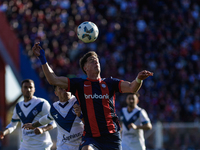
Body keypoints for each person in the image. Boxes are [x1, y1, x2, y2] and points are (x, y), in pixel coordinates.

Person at [32, 42, 153, 150]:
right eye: (91, 60)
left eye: (97, 60)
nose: (96, 61)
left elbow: (132, 87)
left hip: (111, 136)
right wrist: (42, 58)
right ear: (85, 68)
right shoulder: (79, 84)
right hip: (91, 136)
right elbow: (53, 79)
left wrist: (138, 79)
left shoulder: (110, 83)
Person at [22, 86, 84, 150]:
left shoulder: (79, 101)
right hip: (63, 147)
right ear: (56, 93)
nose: (65, 90)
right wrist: (33, 125)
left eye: (66, 88)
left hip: (81, 144)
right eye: (61, 88)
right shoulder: (54, 107)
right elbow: (47, 118)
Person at [0, 79, 55, 150]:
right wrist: (4, 132)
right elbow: (12, 125)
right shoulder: (18, 106)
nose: (28, 89)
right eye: (25, 87)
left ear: (34, 89)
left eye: (30, 87)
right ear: (21, 90)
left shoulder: (42, 103)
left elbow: (54, 123)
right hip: (25, 147)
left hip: (41, 146)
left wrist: (42, 129)